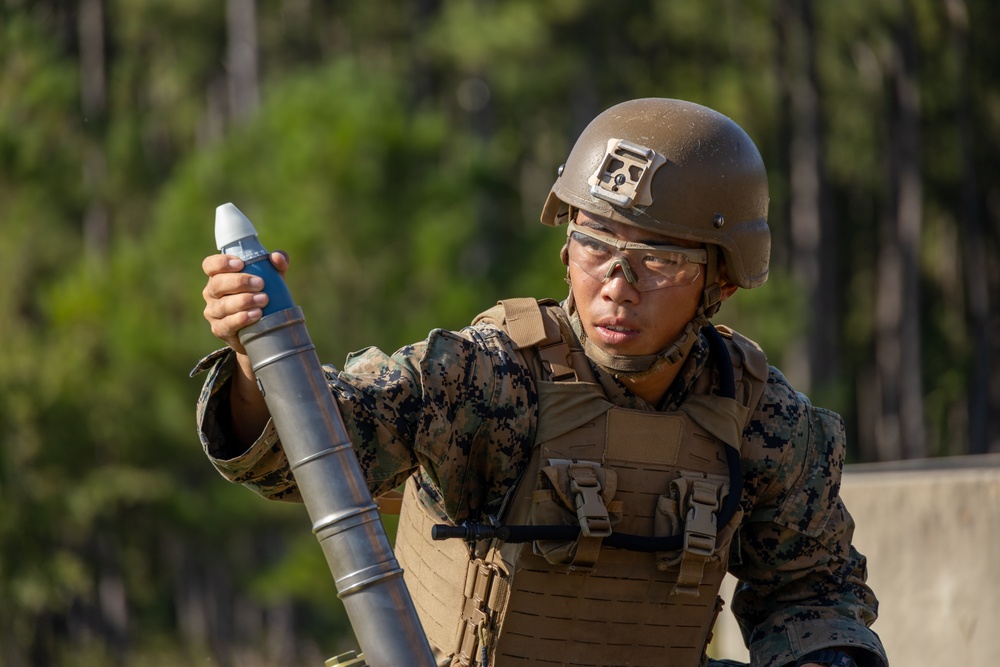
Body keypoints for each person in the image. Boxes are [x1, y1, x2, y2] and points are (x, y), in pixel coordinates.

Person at [194, 98, 887, 667]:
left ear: (722, 281)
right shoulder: (489, 377)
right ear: (565, 251)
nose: (617, 286)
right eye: (595, 245)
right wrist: (262, 367)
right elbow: (325, 443)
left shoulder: (760, 415)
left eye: (658, 260)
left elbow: (811, 590)